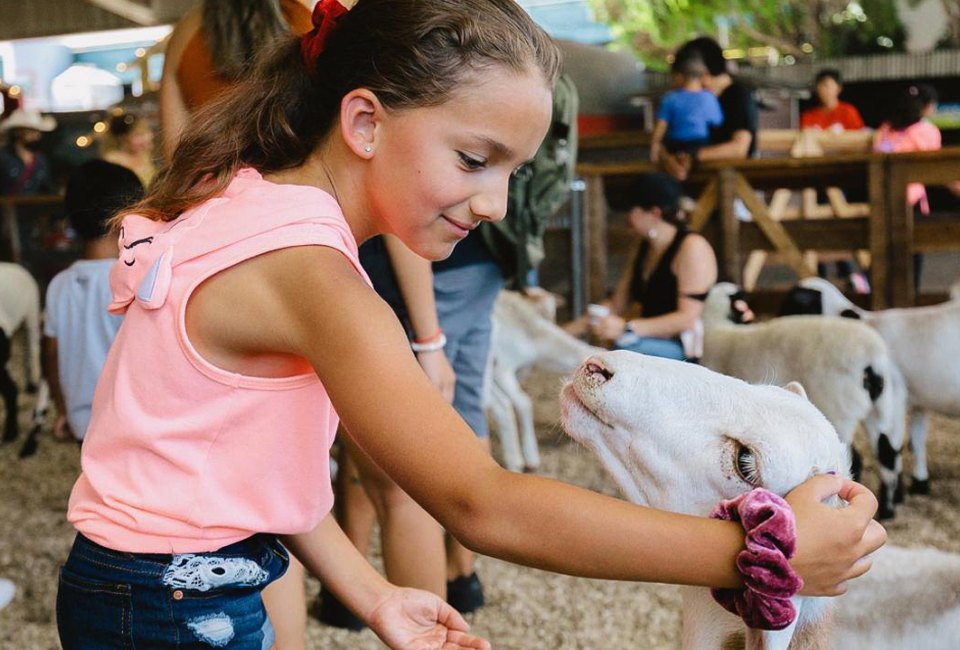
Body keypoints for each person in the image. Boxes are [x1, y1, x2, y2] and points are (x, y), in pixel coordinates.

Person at [57, 2, 885, 648]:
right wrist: (756, 556)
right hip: (172, 604)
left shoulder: (248, 203)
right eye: (474, 159)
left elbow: (242, 471)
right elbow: (482, 503)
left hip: (144, 584)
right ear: (366, 123)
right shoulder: (317, 280)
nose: (493, 204)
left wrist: (376, 594)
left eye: (512, 172)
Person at [159, 2, 316, 643]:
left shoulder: (185, 36)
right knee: (284, 485)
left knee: (233, 489)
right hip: (295, 245)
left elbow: (177, 159)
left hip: (208, 261)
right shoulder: (310, 21)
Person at [565, 173, 716, 361]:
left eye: (631, 210)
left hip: (685, 348)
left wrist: (626, 328)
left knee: (623, 351)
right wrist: (567, 332)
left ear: (654, 213)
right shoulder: (642, 246)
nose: (625, 217)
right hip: (644, 340)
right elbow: (616, 304)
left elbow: (687, 318)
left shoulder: (692, 247)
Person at [44, 161, 142, 443]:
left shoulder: (59, 284)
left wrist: (63, 410)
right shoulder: (130, 279)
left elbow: (51, 354)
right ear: (125, 217)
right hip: (127, 425)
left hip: (82, 423)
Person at [160, 0, 314, 159]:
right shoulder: (308, 24)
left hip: (211, 178)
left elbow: (174, 151)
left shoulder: (184, 34)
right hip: (292, 174)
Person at [874, 84, 942, 293]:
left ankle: (884, 296)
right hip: (911, 201)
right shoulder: (927, 131)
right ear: (928, 106)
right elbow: (937, 169)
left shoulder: (885, 129)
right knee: (913, 251)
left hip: (882, 200)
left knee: (885, 252)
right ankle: (911, 297)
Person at [661, 37, 758, 181]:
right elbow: (665, 140)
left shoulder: (738, 95)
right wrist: (668, 159)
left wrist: (692, 156)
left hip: (731, 184)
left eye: (684, 78)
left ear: (704, 74)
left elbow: (739, 149)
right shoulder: (695, 99)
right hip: (692, 178)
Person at [649, 54, 723, 163]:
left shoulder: (670, 98)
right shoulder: (708, 97)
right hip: (701, 145)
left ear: (679, 76)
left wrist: (654, 147)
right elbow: (717, 121)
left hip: (674, 146)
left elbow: (661, 126)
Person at [0, 109, 56, 196]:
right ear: (18, 132)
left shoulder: (40, 160)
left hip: (35, 208)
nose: (37, 134)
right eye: (32, 130)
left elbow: (46, 189)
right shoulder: (3, 158)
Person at [100, 112, 157, 187]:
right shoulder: (112, 162)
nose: (146, 138)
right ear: (123, 138)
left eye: (146, 133)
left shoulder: (147, 156)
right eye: (138, 135)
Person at [800, 69, 865, 132]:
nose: (823, 89)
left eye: (826, 85)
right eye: (820, 86)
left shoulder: (848, 112)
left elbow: (859, 135)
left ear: (839, 88)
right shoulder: (809, 116)